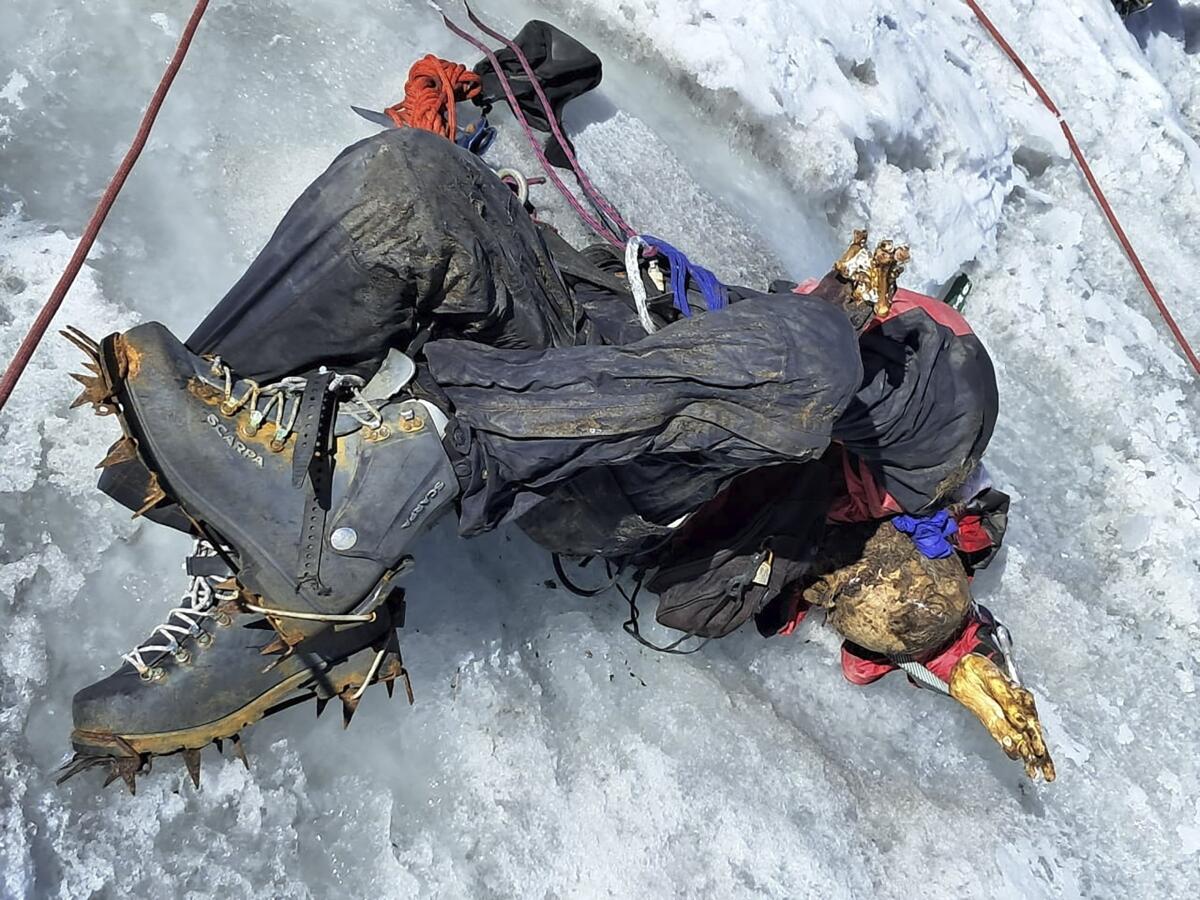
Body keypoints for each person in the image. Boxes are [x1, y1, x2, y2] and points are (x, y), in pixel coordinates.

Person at [56, 52, 1052, 794]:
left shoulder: (777, 526)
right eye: (896, 572)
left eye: (862, 601)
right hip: (575, 332)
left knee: (806, 368)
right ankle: (241, 516)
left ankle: (339, 534)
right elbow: (943, 372)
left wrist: (959, 655)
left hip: (629, 481)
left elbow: (865, 395)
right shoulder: (920, 441)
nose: (862, 585)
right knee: (410, 182)